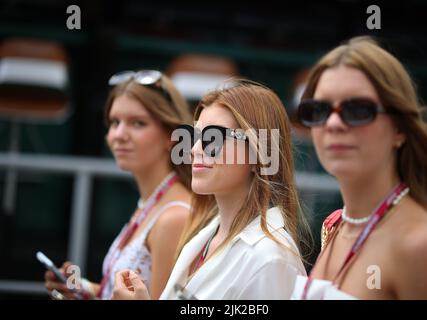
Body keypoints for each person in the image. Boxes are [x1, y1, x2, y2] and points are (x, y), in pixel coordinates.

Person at [112, 79, 313, 300]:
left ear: (260, 153)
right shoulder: (206, 234)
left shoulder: (270, 258)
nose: (195, 150)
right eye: (194, 137)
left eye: (213, 138)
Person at [292, 36, 427, 299]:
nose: (333, 123)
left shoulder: (421, 243)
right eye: (319, 109)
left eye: (357, 110)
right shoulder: (335, 227)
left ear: (400, 128)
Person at [44, 70, 193, 299]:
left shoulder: (173, 217)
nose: (119, 135)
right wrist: (81, 287)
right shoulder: (151, 202)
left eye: (138, 123)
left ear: (171, 135)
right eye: (114, 122)